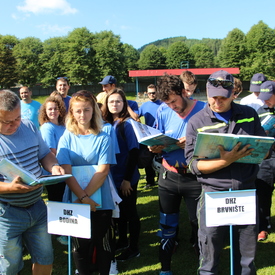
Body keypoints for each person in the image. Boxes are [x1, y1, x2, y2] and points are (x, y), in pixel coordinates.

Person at [185, 70, 268, 275]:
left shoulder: (249, 114)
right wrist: (225, 161)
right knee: (209, 254)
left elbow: (263, 149)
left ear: (233, 93)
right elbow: (193, 165)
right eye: (214, 97)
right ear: (207, 92)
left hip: (245, 191)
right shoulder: (196, 122)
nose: (218, 102)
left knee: (246, 258)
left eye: (223, 97)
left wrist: (264, 150)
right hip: (214, 193)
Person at [0, 89, 65, 275]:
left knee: (45, 258)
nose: (14, 125)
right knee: (9, 266)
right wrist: (9, 188)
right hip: (7, 213)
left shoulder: (29, 126)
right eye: (7, 122)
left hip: (37, 207)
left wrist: (53, 166)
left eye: (17, 118)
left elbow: (44, 154)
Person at [149, 74, 205, 275]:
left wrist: (191, 142)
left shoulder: (204, 109)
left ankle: (204, 266)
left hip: (195, 178)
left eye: (174, 101)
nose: (171, 106)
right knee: (166, 223)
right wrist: (155, 147)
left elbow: (214, 145)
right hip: (169, 176)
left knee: (199, 224)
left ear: (184, 92)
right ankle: (165, 268)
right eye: (167, 103)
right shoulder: (163, 110)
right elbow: (157, 137)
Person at [56, 90, 116, 275]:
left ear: (94, 111)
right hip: (75, 200)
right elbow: (66, 172)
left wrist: (86, 197)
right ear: (72, 113)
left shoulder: (103, 137)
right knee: (79, 247)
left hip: (101, 200)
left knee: (103, 244)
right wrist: (83, 198)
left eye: (87, 110)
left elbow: (103, 170)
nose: (83, 115)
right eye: (78, 111)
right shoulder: (66, 138)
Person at [102, 88, 141, 261]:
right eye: (111, 101)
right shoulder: (107, 123)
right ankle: (123, 241)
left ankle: (134, 248)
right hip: (113, 178)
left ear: (124, 103)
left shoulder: (127, 124)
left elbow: (134, 153)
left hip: (126, 177)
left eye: (118, 101)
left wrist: (127, 180)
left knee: (130, 212)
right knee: (119, 214)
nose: (115, 104)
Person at [255, 81, 275, 241]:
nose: (265, 101)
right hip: (266, 158)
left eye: (269, 97)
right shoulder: (260, 111)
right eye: (263, 98)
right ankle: (263, 226)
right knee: (263, 192)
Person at [139, 84, 162, 188]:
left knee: (161, 159)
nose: (152, 95)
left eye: (154, 92)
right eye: (149, 93)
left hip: (161, 135)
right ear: (147, 93)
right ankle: (150, 181)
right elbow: (136, 117)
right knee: (148, 160)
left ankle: (161, 179)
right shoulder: (144, 106)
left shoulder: (163, 104)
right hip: (149, 136)